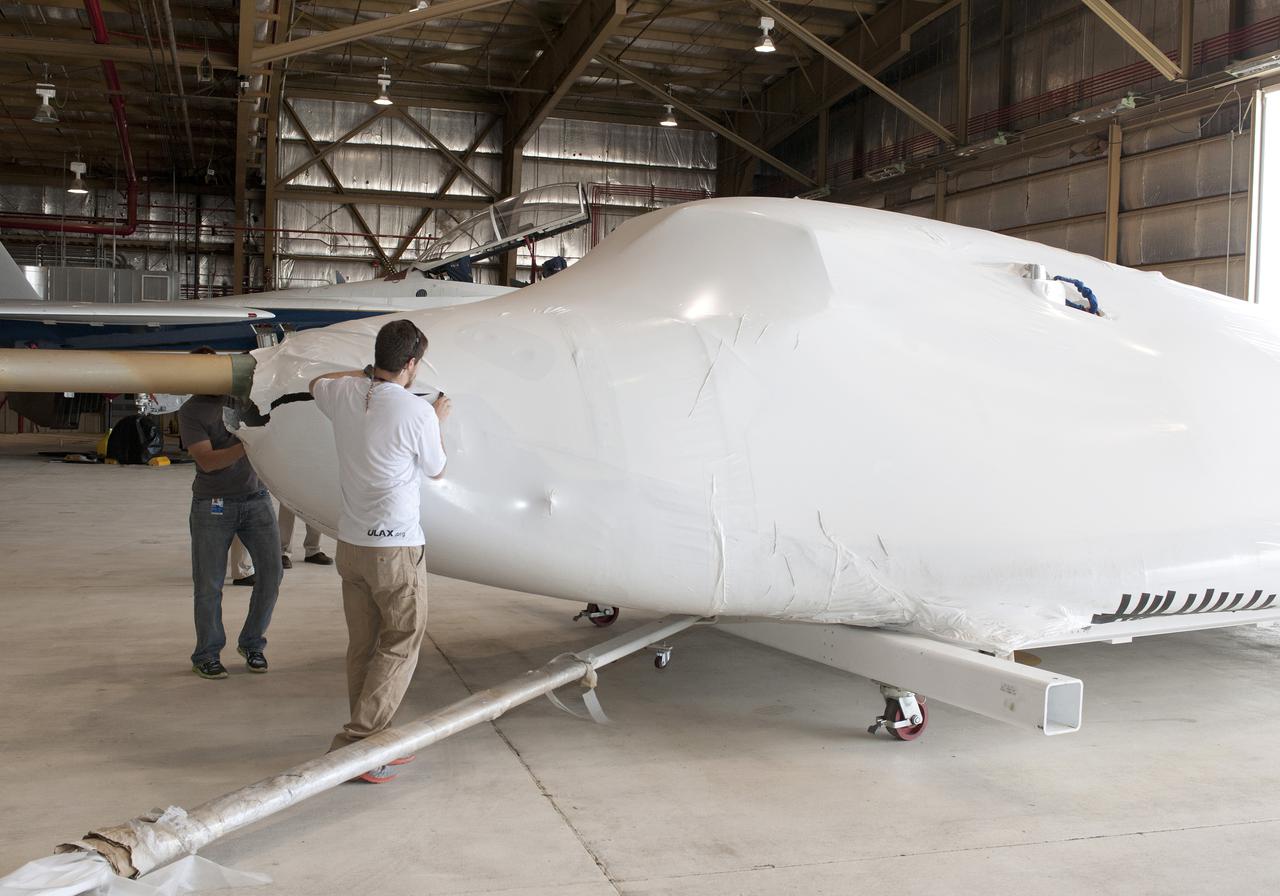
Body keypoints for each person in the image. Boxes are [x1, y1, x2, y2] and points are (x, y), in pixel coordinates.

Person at [310, 319, 450, 783]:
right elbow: (435, 468)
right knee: (403, 638)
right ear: (411, 365)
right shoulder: (417, 413)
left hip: (351, 544)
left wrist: (366, 375)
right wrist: (438, 419)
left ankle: (372, 742)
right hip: (395, 547)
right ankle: (357, 747)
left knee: (364, 645)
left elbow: (317, 382)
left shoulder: (345, 396)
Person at [179, 348, 283, 679]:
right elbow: (207, 461)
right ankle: (206, 653)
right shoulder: (191, 412)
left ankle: (253, 643)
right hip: (213, 504)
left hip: (256, 498)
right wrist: (249, 443)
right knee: (208, 585)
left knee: (272, 574)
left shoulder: (242, 400)